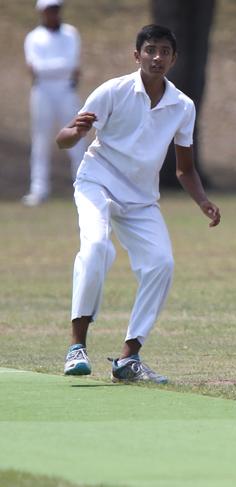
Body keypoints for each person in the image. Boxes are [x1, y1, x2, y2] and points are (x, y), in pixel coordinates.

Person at [56, 24, 220, 383]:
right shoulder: (112, 91)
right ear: (137, 55)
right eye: (150, 50)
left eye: (164, 51)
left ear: (174, 59)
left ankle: (129, 358)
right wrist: (77, 132)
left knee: (161, 264)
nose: (157, 57)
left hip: (141, 199)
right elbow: (63, 139)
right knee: (97, 247)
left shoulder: (182, 106)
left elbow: (184, 168)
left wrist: (203, 202)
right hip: (96, 181)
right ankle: (76, 348)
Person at [23, 0, 86, 206]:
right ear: (42, 12)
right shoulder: (33, 37)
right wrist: (58, 67)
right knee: (41, 139)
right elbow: (35, 67)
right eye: (49, 10)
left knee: (77, 135)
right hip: (42, 90)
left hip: (66, 90)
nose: (53, 13)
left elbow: (71, 63)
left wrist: (51, 68)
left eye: (55, 9)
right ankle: (39, 188)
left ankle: (83, 183)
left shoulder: (70, 33)